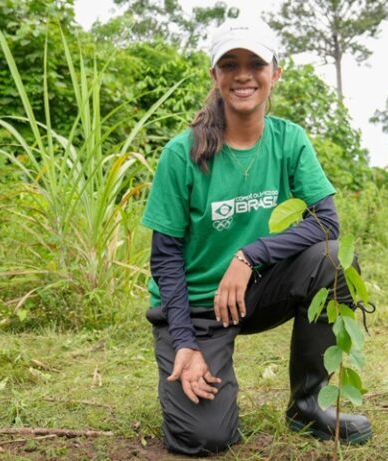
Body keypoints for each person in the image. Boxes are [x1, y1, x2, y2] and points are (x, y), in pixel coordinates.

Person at [141, 17, 372, 456]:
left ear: (275, 74)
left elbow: (326, 221)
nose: (243, 74)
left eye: (255, 63)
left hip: (256, 289)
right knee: (204, 438)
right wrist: (186, 343)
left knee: (332, 258)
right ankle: (201, 368)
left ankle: (308, 405)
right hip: (195, 307)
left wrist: (249, 255)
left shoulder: (289, 141)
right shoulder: (182, 154)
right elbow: (165, 257)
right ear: (215, 76)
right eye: (229, 64)